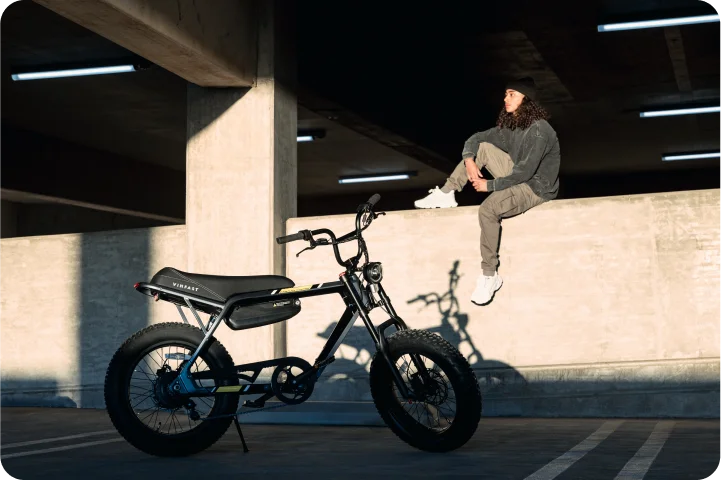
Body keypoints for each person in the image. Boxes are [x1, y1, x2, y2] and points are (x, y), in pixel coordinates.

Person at [414, 77, 560, 306]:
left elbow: (524, 173)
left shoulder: (540, 130)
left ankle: (490, 276)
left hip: (536, 187)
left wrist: (489, 186)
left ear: (526, 99)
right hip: (519, 176)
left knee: (488, 210)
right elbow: (477, 138)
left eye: (512, 94)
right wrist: (470, 160)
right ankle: (447, 192)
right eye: (505, 94)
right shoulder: (512, 127)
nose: (505, 98)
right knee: (482, 148)